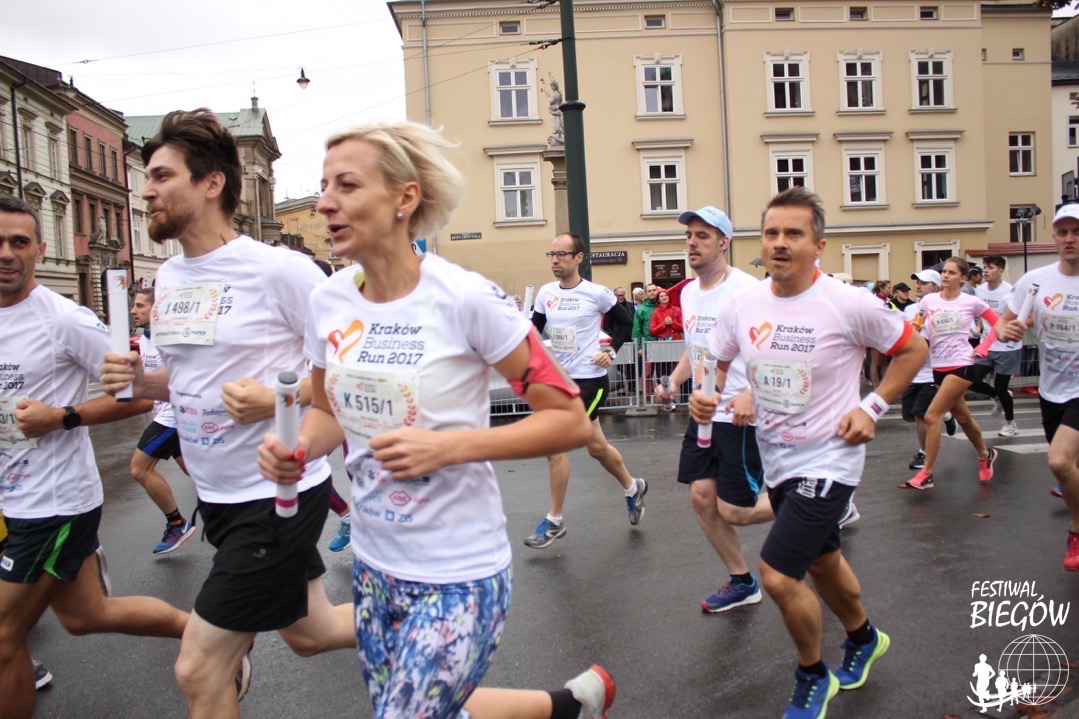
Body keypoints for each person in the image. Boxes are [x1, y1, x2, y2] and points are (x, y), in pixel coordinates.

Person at [257, 120, 615, 718]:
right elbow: (325, 412)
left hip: (459, 572)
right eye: (324, 187)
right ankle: (568, 706)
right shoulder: (329, 300)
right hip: (375, 566)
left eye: (347, 185)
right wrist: (297, 448)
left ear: (405, 198)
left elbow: (570, 419)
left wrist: (450, 447)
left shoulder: (466, 297)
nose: (324, 204)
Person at [99, 109, 355, 718]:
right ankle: (431, 615)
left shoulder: (281, 271)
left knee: (197, 668)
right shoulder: (168, 278)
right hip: (216, 496)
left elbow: (352, 378)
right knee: (311, 630)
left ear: (212, 182)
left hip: (276, 496)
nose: (147, 190)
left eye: (162, 176)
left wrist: (278, 398)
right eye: (147, 177)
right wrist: (141, 380)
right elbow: (186, 380)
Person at [689, 187, 927, 719]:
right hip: (777, 459)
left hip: (831, 458)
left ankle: (812, 676)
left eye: (793, 233)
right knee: (823, 561)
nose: (780, 242)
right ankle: (864, 638)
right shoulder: (743, 305)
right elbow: (718, 361)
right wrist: (708, 395)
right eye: (771, 233)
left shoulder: (848, 303)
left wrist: (872, 408)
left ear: (818, 245)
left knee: (778, 574)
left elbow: (914, 349)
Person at [0, 195, 189, 719]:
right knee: (85, 616)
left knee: (4, 638)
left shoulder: (64, 319)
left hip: (53, 502)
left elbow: (140, 397)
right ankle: (206, 631)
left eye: (19, 242)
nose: (7, 253)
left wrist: (60, 416)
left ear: (40, 249)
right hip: (15, 498)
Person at [654, 205, 775, 613]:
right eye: (689, 235)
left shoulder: (746, 289)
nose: (692, 243)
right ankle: (742, 581)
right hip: (704, 409)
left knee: (735, 510)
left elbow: (772, 346)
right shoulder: (689, 292)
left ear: (724, 243)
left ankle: (817, 501)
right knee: (702, 497)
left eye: (702, 236)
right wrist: (674, 381)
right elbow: (697, 349)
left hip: (739, 414)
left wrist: (752, 394)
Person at [525, 233, 642, 549]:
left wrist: (611, 351)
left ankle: (554, 521)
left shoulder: (596, 293)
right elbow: (533, 331)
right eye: (551, 254)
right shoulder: (546, 293)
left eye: (561, 254)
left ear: (579, 257)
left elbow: (625, 323)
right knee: (597, 448)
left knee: (554, 444)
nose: (555, 260)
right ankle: (633, 488)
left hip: (590, 380)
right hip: (560, 382)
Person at [996, 204, 1079, 571]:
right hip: (1052, 389)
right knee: (1068, 469)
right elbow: (1003, 323)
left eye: (1077, 232)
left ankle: (1076, 532)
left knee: (1059, 460)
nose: (1070, 239)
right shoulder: (1035, 280)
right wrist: (1007, 330)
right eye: (1063, 232)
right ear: (1054, 237)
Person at [902, 257, 1000, 490]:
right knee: (963, 418)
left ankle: (927, 473)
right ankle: (985, 454)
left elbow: (999, 324)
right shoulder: (929, 301)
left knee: (932, 415)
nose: (946, 276)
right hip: (938, 368)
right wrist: (912, 330)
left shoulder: (971, 302)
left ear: (963, 278)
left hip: (962, 364)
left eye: (952, 273)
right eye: (944, 272)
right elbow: (918, 323)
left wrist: (983, 347)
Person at [128, 287, 195, 554]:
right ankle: (252, 507)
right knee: (197, 472)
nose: (133, 310)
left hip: (173, 416)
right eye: (134, 305)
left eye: (140, 306)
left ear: (156, 309)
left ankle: (177, 524)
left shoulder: (171, 339)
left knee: (139, 469)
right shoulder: (144, 340)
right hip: (164, 413)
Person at [902, 271, 958, 471]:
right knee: (909, 415)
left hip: (931, 370)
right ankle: (947, 415)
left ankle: (923, 453)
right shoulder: (910, 309)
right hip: (912, 371)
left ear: (935, 287)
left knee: (921, 416)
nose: (918, 285)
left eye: (923, 283)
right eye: (917, 282)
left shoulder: (942, 311)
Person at [975, 255, 1022, 437]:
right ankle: (996, 396)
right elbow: (983, 312)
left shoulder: (1010, 292)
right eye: (985, 267)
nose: (985, 271)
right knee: (970, 378)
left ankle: (1011, 424)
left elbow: (1018, 317)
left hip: (1007, 347)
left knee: (1002, 387)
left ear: (1001, 271)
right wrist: (979, 327)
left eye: (991, 267)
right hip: (986, 345)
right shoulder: (980, 291)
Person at [632, 283, 659, 385]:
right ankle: (647, 393)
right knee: (647, 372)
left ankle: (664, 392)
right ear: (646, 294)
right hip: (648, 345)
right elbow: (637, 329)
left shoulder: (663, 306)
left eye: (654, 290)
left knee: (663, 371)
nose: (652, 292)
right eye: (649, 291)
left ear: (657, 291)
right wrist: (639, 346)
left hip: (663, 343)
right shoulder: (641, 309)